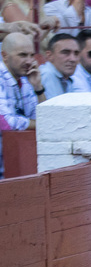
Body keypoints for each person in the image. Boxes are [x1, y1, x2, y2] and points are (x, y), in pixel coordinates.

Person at [0, 31, 42, 175]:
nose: (29, 61)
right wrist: (40, 124)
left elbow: (43, 118)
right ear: (4, 56)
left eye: (32, 55)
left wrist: (38, 88)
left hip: (13, 166)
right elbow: (5, 123)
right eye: (23, 55)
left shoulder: (26, 80)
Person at [39, 32, 80, 98]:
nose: (73, 59)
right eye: (65, 52)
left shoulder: (65, 77)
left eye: (76, 53)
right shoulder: (46, 75)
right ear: (49, 55)